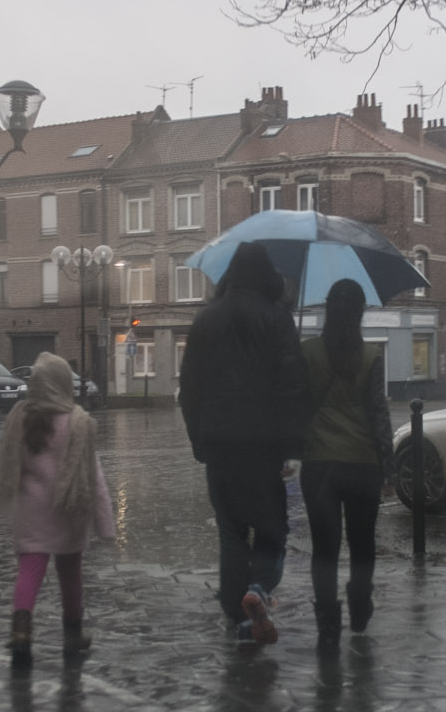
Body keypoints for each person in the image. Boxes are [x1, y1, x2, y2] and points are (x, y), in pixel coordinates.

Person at [178, 242, 310, 646]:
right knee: (272, 530)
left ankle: (238, 614)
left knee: (231, 531)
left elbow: (190, 389)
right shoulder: (278, 318)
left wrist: (199, 439)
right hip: (265, 446)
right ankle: (259, 590)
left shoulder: (205, 320)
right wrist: (293, 447)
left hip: (219, 443)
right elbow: (292, 387)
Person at [0, 352, 114, 664]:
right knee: (70, 575)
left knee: (29, 573)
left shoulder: (21, 417)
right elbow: (93, 477)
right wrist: (105, 526)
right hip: (68, 511)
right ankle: (73, 636)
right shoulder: (77, 422)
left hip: (30, 513)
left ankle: (20, 632)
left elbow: (8, 466)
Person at [298, 279, 393, 643]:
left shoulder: (307, 353)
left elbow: (298, 406)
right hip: (362, 463)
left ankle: (327, 618)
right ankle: (359, 603)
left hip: (320, 464)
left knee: (325, 547)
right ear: (359, 314)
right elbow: (378, 414)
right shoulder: (370, 356)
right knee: (362, 542)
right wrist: (388, 467)